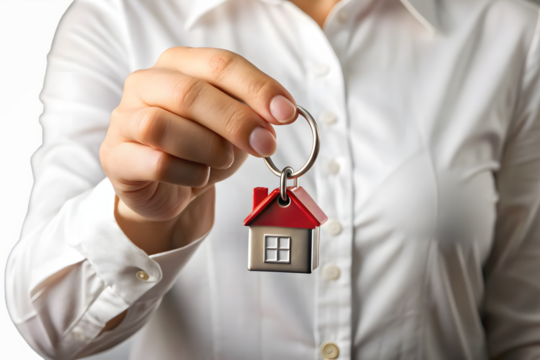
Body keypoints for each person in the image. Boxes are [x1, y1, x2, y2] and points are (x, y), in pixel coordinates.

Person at [5, 0, 540, 358]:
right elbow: (48, 328)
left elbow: (525, 326)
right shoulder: (116, 17)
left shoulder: (511, 29)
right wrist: (135, 219)